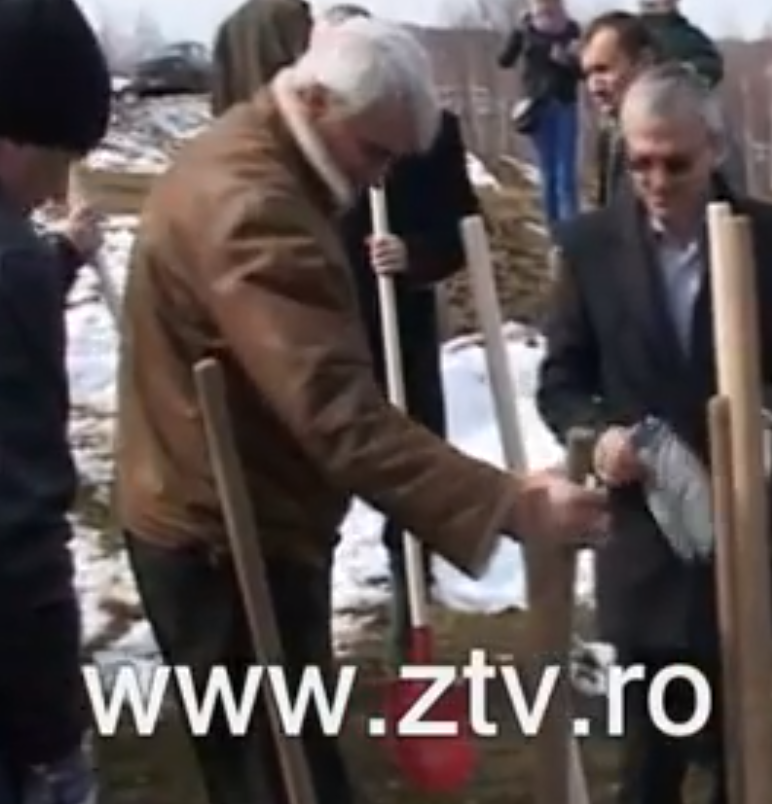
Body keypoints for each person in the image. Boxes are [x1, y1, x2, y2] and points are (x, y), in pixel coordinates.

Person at [115, 17, 608, 804]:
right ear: (315, 99)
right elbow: (335, 409)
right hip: (222, 540)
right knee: (279, 777)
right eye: (373, 151)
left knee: (288, 760)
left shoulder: (258, 150)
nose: (378, 178)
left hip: (236, 511)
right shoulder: (255, 207)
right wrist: (507, 505)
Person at [534, 65, 772, 804]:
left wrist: (766, 421)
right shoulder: (589, 247)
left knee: (742, 758)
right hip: (645, 539)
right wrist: (597, 438)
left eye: (676, 163)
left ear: (715, 149)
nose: (657, 181)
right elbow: (561, 382)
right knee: (651, 764)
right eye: (640, 162)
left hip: (742, 526)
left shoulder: (768, 239)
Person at [0, 0, 111, 802]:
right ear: (14, 136)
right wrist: (50, 739)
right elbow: (3, 536)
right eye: (61, 159)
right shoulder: (0, 263)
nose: (54, 192)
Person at [319, 2, 477, 667]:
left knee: (409, 468)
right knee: (317, 470)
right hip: (323, 325)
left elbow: (462, 230)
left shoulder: (431, 134)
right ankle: (306, 622)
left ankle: (412, 601)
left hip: (397, 322)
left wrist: (414, 255)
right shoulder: (303, 138)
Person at [580, 11, 745, 207]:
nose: (594, 87)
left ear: (644, 61)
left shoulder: (693, 123)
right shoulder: (610, 134)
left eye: (603, 70)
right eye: (587, 75)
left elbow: (733, 205)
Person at [497, 0, 582, 228]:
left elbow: (584, 71)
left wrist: (568, 61)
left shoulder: (571, 29)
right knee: (548, 173)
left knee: (566, 173)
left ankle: (573, 231)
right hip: (537, 107)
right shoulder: (526, 28)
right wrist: (516, 33)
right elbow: (504, 60)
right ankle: (554, 231)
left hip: (564, 103)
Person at [210, 0, 313, 116]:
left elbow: (220, 91)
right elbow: (310, 71)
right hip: (283, 115)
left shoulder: (230, 23)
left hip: (241, 119)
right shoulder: (290, 11)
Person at [636, 0, 723, 88]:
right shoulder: (634, 32)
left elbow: (712, 64)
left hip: (681, 89)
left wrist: (687, 68)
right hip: (642, 88)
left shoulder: (692, 34)